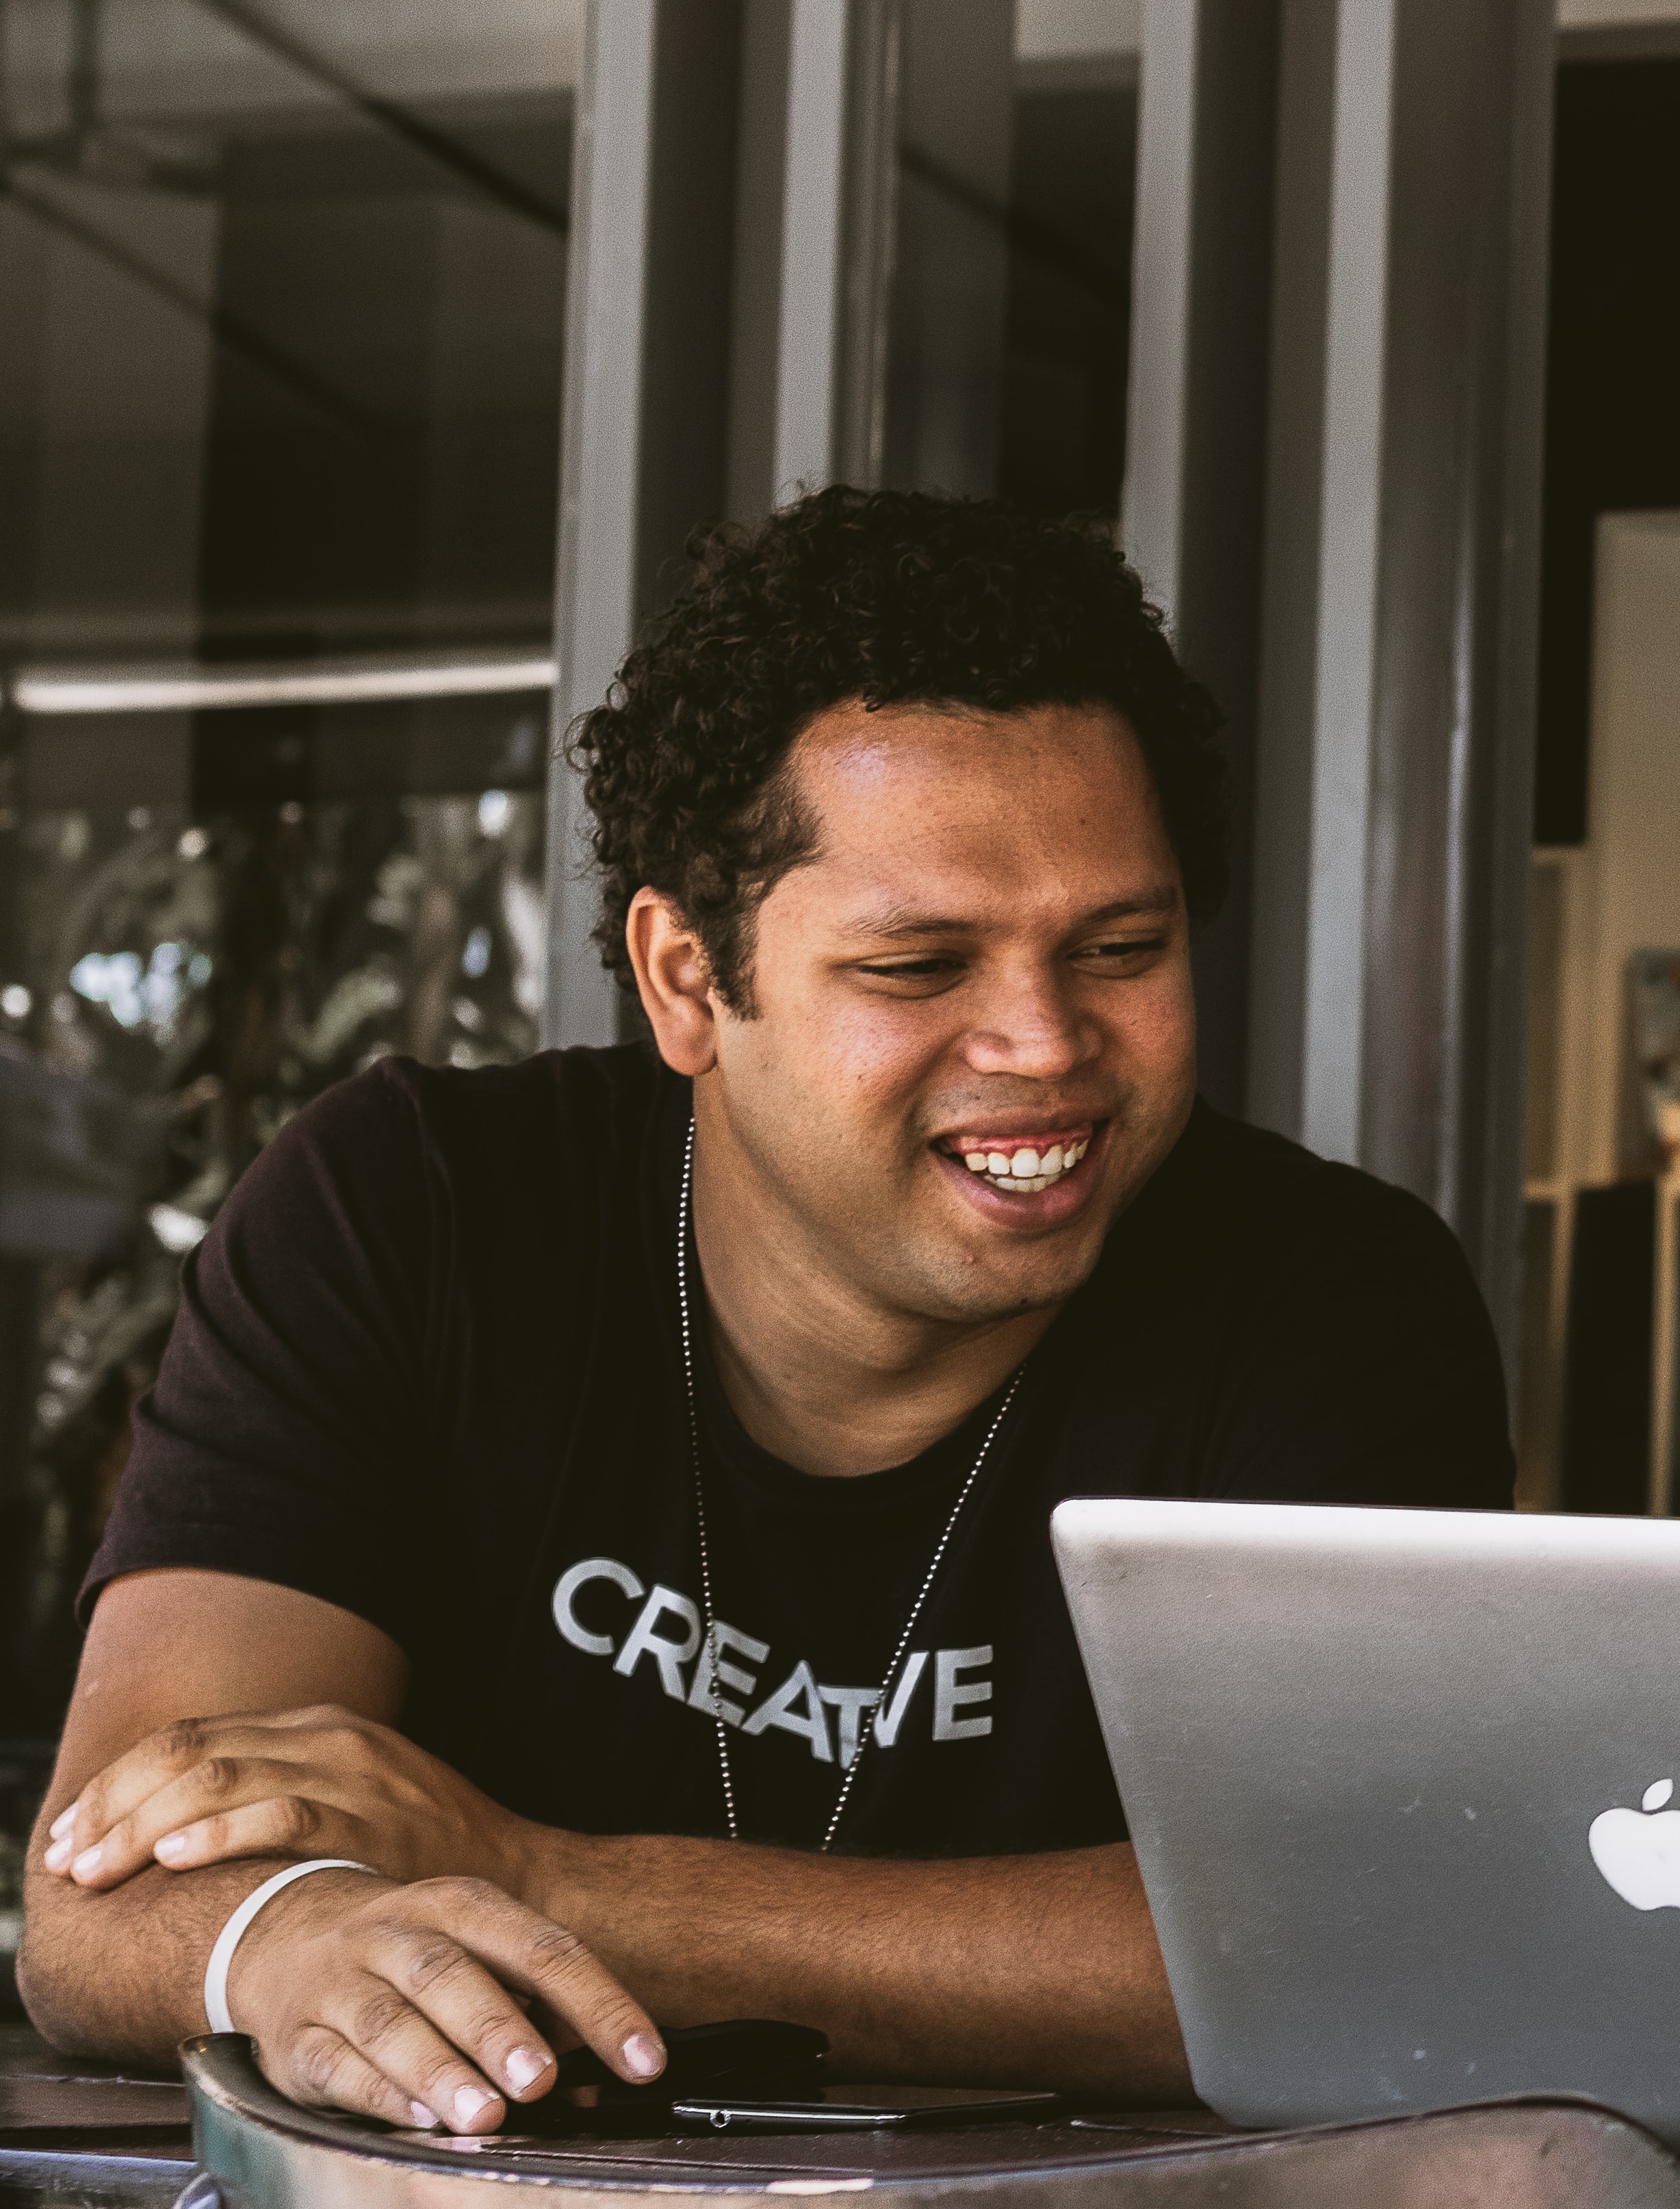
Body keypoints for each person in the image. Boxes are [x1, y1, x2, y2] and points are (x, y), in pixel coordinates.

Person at [16, 489, 1513, 2134]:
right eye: (918, 966)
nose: (1043, 1039)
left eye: (1121, 944)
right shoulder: (418, 1210)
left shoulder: (1332, 1300)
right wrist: (282, 1935)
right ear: (683, 981)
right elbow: (107, 1889)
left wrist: (538, 1878)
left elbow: (1342, 1942)